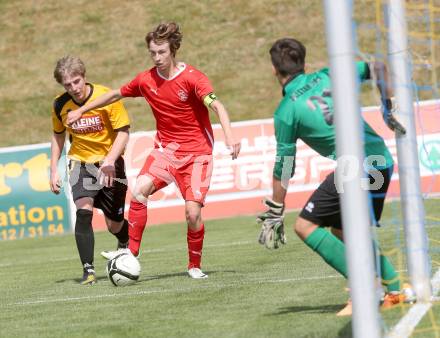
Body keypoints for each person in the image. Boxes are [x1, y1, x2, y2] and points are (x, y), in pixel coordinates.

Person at [66, 22, 241, 279]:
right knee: (138, 191)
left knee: (192, 213)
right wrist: (81, 110)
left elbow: (218, 107)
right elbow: (115, 94)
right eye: (153, 53)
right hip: (166, 152)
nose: (157, 58)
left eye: (162, 52)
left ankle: (194, 265)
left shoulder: (193, 78)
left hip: (197, 156)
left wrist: (230, 136)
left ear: (173, 50)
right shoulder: (146, 80)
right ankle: (130, 253)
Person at [257, 37, 411, 315]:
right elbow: (378, 67)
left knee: (304, 226)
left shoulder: (286, 111)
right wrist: (388, 107)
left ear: (273, 70)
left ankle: (364, 291)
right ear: (304, 62)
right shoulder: (329, 75)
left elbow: (285, 165)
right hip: (381, 161)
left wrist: (276, 210)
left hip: (356, 166)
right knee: (344, 230)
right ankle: (396, 287)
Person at [50, 55, 130, 285]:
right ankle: (89, 271)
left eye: (76, 81)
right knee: (83, 212)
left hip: (110, 164)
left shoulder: (106, 97)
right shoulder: (59, 105)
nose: (73, 88)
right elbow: (57, 136)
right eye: (68, 84)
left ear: (84, 77)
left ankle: (124, 242)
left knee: (114, 224)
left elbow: (124, 132)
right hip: (80, 164)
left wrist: (110, 160)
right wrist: (53, 169)